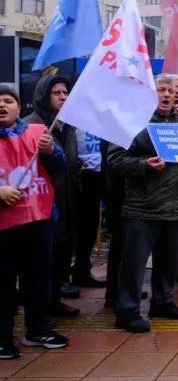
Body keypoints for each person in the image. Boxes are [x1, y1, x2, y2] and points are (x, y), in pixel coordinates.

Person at [106, 76, 178, 333]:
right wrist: (144, 165)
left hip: (177, 205)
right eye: (160, 90)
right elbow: (115, 159)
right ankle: (127, 311)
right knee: (134, 263)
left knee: (170, 261)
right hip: (143, 206)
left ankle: (162, 301)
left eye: (171, 91)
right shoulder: (133, 123)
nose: (166, 94)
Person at [0, 85, 69, 356]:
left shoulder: (38, 132)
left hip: (38, 220)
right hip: (3, 226)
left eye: (8, 101)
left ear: (20, 107)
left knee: (39, 277)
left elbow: (59, 168)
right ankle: (2, 337)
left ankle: (38, 329)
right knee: (3, 281)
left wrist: (52, 151)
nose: (2, 106)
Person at [23, 76, 80, 317]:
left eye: (65, 93)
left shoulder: (67, 126)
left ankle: (54, 302)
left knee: (61, 258)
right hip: (41, 206)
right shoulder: (29, 126)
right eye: (56, 93)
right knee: (40, 264)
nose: (63, 97)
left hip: (67, 203)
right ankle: (38, 311)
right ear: (44, 96)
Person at [72, 125, 106, 289]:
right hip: (83, 175)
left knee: (91, 226)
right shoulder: (73, 118)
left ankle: (82, 270)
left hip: (106, 172)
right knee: (81, 226)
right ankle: (74, 272)